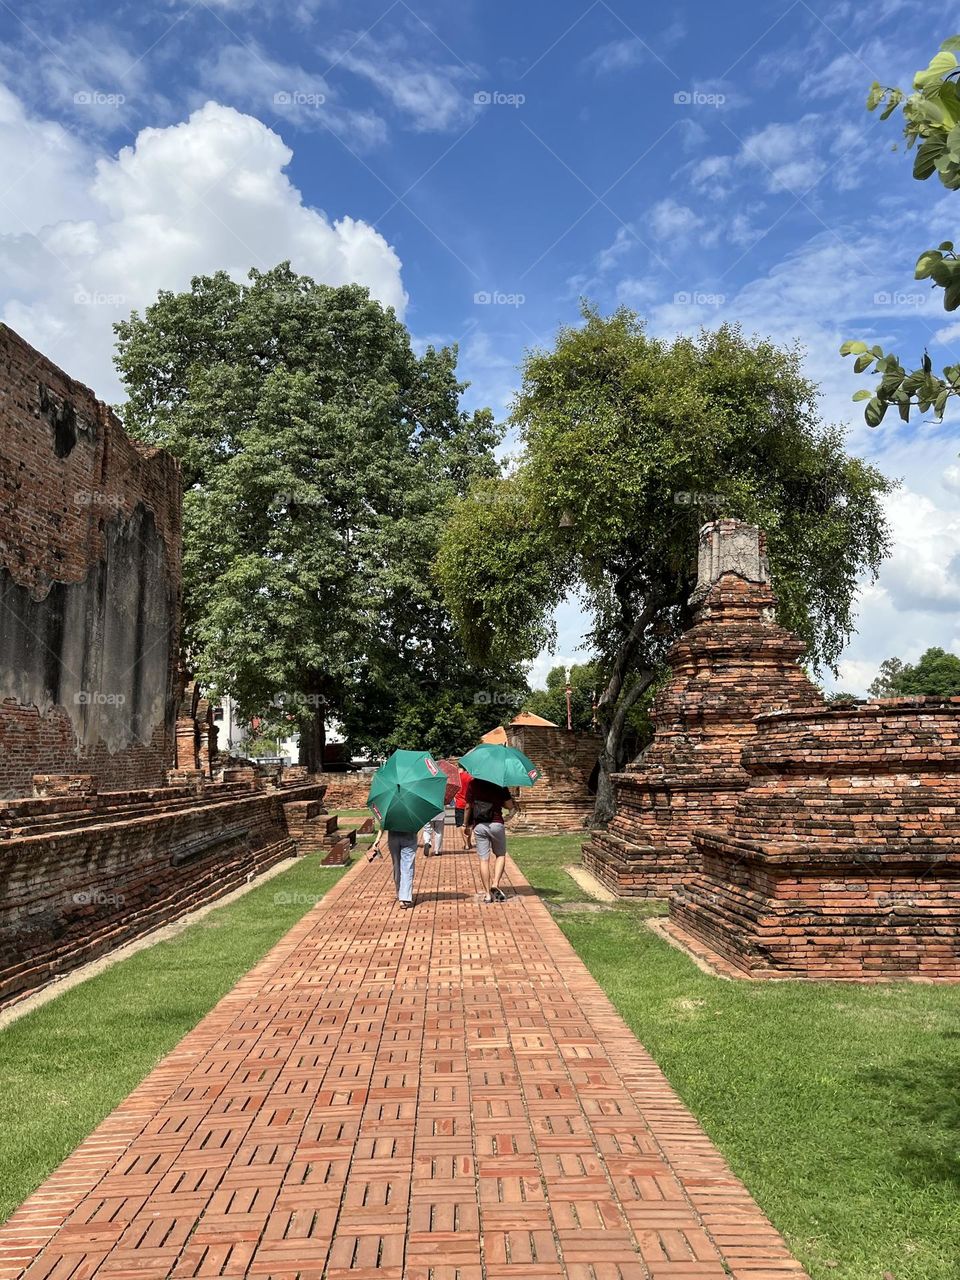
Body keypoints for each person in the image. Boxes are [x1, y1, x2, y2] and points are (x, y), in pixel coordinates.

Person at [463, 775, 516, 904]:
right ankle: (495, 883)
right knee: (500, 855)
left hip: (480, 825)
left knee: (483, 859)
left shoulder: (473, 784)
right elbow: (509, 805)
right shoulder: (499, 784)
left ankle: (487, 894)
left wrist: (465, 824)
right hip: (496, 823)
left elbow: (468, 806)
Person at [369, 823, 417, 908]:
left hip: (393, 837)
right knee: (407, 867)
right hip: (409, 835)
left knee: (396, 865)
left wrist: (378, 839)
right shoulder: (415, 809)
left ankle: (399, 893)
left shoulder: (390, 809)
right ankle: (404, 897)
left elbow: (383, 822)